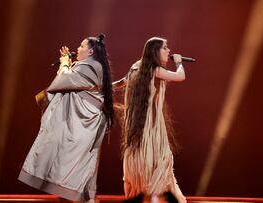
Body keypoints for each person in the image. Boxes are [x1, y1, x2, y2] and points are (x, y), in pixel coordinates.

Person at [18, 34, 114, 203]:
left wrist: (64, 63)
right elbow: (66, 81)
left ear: (91, 51)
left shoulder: (91, 66)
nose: (78, 49)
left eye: (82, 46)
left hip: (81, 130)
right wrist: (67, 65)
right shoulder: (88, 66)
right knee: (70, 177)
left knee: (71, 176)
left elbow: (64, 79)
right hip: (80, 128)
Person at [112, 37, 187, 203]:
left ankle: (143, 192)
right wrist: (179, 62)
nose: (168, 51)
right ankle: (153, 193)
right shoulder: (155, 69)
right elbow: (180, 76)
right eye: (165, 48)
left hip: (138, 126)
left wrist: (106, 88)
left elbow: (121, 83)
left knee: (141, 163)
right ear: (155, 51)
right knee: (157, 161)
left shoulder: (135, 67)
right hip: (150, 128)